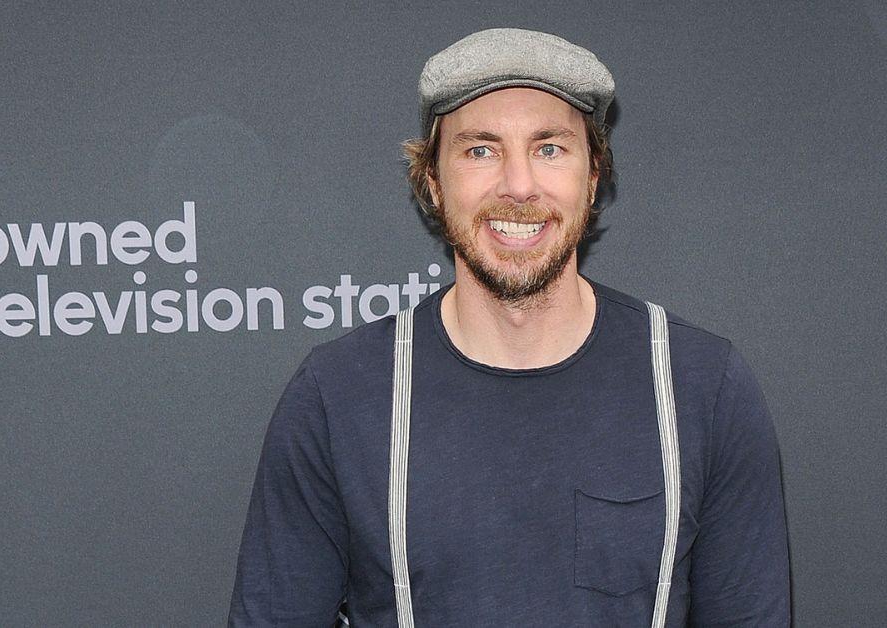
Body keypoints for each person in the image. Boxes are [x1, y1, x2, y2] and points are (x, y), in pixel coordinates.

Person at [229, 28, 790, 627]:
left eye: (549, 148)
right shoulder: (339, 397)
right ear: (433, 182)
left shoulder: (701, 387)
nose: (519, 185)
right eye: (480, 150)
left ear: (593, 176)